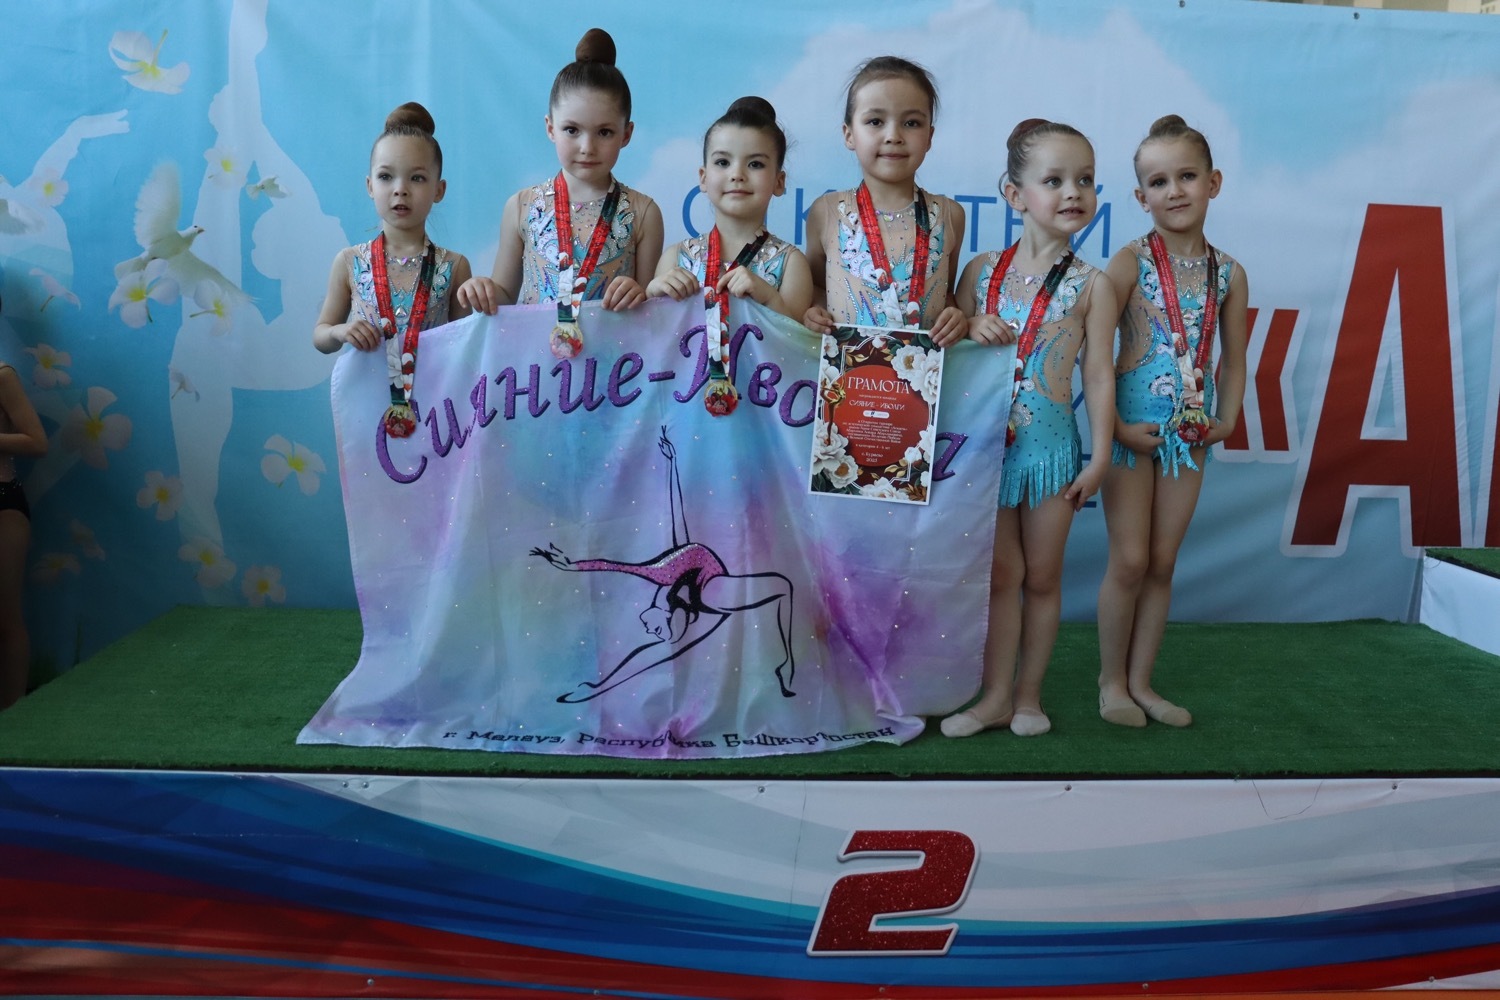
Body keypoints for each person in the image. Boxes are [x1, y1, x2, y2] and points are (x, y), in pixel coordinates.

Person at [941, 119, 1117, 738]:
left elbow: (1098, 374)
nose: (1073, 192)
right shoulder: (981, 273)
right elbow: (948, 347)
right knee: (1000, 577)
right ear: (1014, 195)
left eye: (1085, 180)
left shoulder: (1094, 285)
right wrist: (969, 324)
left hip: (1051, 456)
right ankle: (992, 697)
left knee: (1042, 578)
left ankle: (1028, 699)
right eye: (1055, 180)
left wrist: (1100, 457)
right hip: (985, 453)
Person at [1094, 115, 1248, 728]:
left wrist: (1225, 420)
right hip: (1130, 434)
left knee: (1161, 563)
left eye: (1187, 176)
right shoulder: (1129, 263)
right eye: (1159, 182)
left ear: (1214, 182)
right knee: (1130, 560)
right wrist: (1113, 429)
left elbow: (1235, 360)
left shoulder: (1228, 273)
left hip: (1189, 437)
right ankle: (1111, 683)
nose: (1174, 190)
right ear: (1141, 197)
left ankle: (1142, 682)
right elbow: (1092, 353)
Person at [531, 427, 795, 703]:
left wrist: (572, 566)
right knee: (780, 587)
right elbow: (647, 653)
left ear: (663, 610)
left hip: (703, 588)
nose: (649, 631)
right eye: (657, 630)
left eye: (653, 627)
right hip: (711, 592)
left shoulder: (662, 572)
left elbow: (619, 560)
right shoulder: (700, 589)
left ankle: (785, 664)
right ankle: (785, 665)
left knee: (780, 587)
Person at [456, 28, 663, 359]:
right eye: (572, 130)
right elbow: (504, 294)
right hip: (533, 373)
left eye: (604, 132)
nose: (587, 146)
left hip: (613, 372)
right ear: (550, 127)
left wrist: (639, 294)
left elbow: (653, 313)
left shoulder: (643, 213)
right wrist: (483, 290)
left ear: (626, 134)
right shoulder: (521, 206)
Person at [312, 102, 472, 437]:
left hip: (435, 412)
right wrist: (340, 332)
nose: (400, 189)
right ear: (370, 185)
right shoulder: (349, 262)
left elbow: (466, 351)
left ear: (439, 190)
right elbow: (321, 337)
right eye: (386, 177)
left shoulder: (454, 266)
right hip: (364, 413)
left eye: (417, 178)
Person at [646, 96, 813, 414]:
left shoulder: (791, 263)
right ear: (703, 177)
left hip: (762, 417)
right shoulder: (675, 258)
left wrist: (769, 298)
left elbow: (797, 356)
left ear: (779, 181)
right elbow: (652, 350)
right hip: (684, 412)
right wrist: (652, 296)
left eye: (755, 164)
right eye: (723, 162)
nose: (737, 174)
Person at [801, 57, 965, 346]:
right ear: (849, 134)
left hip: (920, 372)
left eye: (911, 123)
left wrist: (956, 317)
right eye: (875, 122)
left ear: (930, 136)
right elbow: (816, 287)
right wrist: (812, 312)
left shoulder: (949, 215)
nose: (893, 136)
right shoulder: (826, 212)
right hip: (848, 371)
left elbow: (946, 294)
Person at [0, 302, 47, 710]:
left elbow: (37, 441)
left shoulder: (3, 376)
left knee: (6, 616)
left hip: (3, 505)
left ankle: (14, 715)